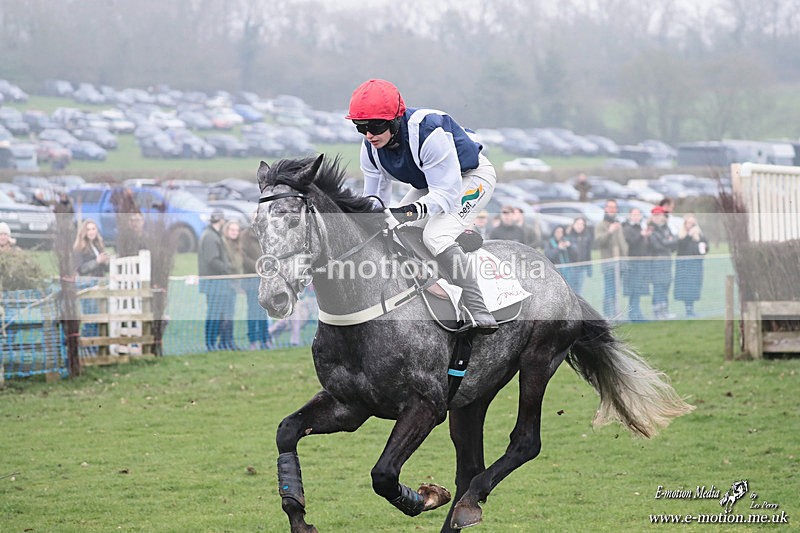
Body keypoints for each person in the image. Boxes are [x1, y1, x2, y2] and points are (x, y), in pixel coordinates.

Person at [346, 78, 498, 333]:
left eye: (375, 125)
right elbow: (374, 202)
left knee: (436, 235)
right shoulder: (370, 149)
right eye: (360, 127)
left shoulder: (428, 132)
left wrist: (404, 213)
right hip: (432, 183)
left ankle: (478, 306)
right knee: (394, 231)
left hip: (470, 177)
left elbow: (447, 194)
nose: (369, 134)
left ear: (396, 119)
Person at [73, 219, 111, 350]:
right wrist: (97, 261)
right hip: (87, 287)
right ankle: (86, 348)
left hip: (99, 286)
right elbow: (81, 269)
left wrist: (106, 262)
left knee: (98, 319)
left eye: (93, 229)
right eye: (88, 229)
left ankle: (95, 348)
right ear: (84, 232)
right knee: (90, 319)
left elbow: (103, 268)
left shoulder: (98, 246)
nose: (91, 232)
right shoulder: (79, 248)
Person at [198, 209, 230, 351]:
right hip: (213, 282)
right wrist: (226, 268)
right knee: (214, 314)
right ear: (221, 220)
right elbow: (212, 261)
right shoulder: (210, 236)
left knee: (215, 313)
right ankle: (210, 343)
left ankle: (212, 343)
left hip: (214, 282)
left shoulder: (212, 234)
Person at [241, 221, 272, 350]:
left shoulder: (267, 233)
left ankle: (265, 340)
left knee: (264, 310)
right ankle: (253, 340)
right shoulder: (245, 236)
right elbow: (242, 256)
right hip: (251, 279)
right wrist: (258, 266)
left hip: (265, 279)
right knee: (252, 311)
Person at [594, 199, 628, 318]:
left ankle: (617, 313)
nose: (612, 210)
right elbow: (599, 242)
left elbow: (622, 243)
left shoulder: (618, 224)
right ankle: (609, 314)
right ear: (605, 209)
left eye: (614, 207)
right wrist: (609, 232)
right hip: (609, 263)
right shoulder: (601, 225)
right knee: (609, 290)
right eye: (610, 207)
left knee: (616, 290)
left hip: (620, 263)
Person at [674, 214, 708, 317]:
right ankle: (687, 309)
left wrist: (701, 243)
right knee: (686, 288)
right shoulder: (682, 234)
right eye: (689, 223)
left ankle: (691, 308)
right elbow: (681, 245)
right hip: (685, 266)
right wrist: (689, 235)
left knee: (694, 287)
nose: (691, 225)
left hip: (696, 265)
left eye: (693, 223)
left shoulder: (699, 236)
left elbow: (705, 247)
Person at [647, 206, 677, 320]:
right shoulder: (651, 229)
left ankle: (665, 311)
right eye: (657, 215)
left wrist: (668, 242)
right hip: (656, 263)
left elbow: (674, 243)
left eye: (661, 215)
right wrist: (667, 242)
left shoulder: (666, 228)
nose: (660, 218)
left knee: (666, 285)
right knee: (658, 286)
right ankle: (657, 312)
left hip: (667, 262)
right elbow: (657, 246)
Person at [622, 208, 651, 321]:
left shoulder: (640, 227)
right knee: (633, 290)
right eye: (634, 214)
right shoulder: (627, 228)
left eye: (638, 214)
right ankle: (633, 315)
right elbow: (631, 242)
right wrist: (641, 235)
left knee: (638, 290)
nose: (636, 217)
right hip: (632, 263)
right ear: (630, 216)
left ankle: (638, 313)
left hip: (641, 263)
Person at [219, 220, 243, 350]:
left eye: (237, 230)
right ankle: (224, 342)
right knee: (226, 314)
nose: (235, 233)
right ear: (227, 231)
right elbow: (230, 265)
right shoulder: (224, 244)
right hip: (226, 283)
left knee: (230, 314)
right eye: (232, 230)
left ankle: (229, 341)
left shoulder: (237, 245)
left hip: (235, 283)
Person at [564, 216, 593, 296]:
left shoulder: (586, 237)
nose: (580, 226)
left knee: (579, 292)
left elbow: (588, 253)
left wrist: (589, 269)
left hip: (581, 268)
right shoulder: (568, 236)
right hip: (570, 268)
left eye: (582, 224)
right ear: (573, 224)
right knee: (570, 291)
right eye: (578, 224)